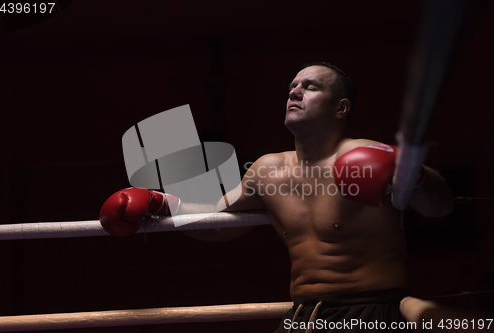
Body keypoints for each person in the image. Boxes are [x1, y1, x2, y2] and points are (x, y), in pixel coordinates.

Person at [99, 62, 454, 332]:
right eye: (292, 87)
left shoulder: (363, 154)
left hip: (372, 309)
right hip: (302, 313)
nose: (294, 93)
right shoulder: (268, 170)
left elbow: (440, 207)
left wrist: (416, 174)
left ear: (340, 108)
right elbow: (216, 224)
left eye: (310, 87)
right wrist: (161, 203)